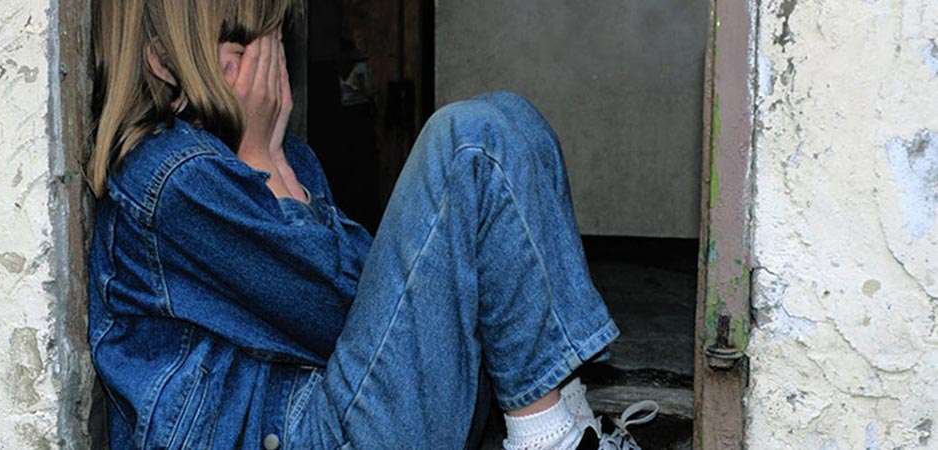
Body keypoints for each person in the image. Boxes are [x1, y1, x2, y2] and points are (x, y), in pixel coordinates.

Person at [86, 1, 656, 449]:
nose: (269, 72)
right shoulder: (174, 178)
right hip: (303, 435)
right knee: (470, 143)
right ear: (163, 60)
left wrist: (277, 163)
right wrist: (269, 165)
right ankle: (552, 438)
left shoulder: (261, 156)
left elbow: (368, 301)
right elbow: (342, 310)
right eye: (242, 50)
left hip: (330, 415)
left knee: (508, 122)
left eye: (274, 40)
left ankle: (557, 427)